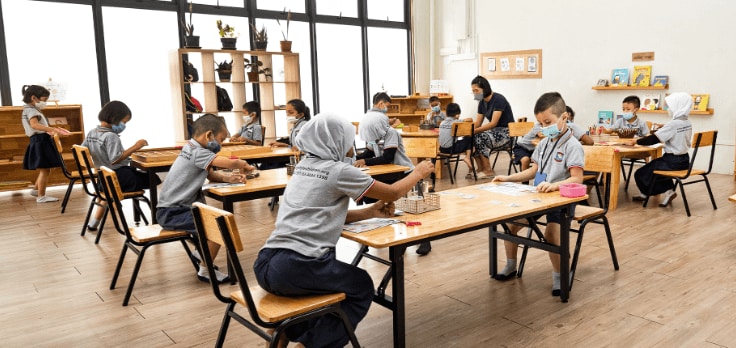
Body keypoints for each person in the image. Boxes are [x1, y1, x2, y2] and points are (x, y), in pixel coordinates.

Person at [253, 112, 434, 348]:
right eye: (349, 140)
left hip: (267, 262)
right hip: (297, 266)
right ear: (334, 142)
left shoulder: (303, 166)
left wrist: (368, 213)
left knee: (322, 290)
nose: (352, 146)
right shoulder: (338, 170)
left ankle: (286, 333)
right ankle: (310, 345)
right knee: (361, 287)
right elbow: (392, 193)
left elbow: (320, 214)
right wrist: (418, 172)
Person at [491, 92, 584, 296]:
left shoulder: (573, 146)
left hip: (562, 200)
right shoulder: (542, 144)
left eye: (548, 122)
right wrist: (507, 178)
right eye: (541, 123)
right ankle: (511, 265)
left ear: (564, 117)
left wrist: (555, 185)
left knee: (552, 234)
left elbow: (577, 178)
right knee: (511, 224)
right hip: (538, 197)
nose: (544, 127)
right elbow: (534, 170)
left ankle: (560, 277)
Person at [156, 114, 257, 283]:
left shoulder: (190, 148)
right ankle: (205, 269)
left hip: (172, 209)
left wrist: (227, 179)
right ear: (208, 135)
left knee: (214, 222)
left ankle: (200, 253)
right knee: (218, 226)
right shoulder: (198, 151)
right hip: (174, 212)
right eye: (221, 139)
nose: (221, 144)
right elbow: (230, 163)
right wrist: (243, 164)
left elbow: (210, 174)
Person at [355, 111, 433, 255]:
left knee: (410, 209)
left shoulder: (391, 133)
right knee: (368, 199)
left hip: (404, 172)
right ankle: (374, 233)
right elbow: (369, 152)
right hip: (386, 174)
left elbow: (387, 157)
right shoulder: (375, 136)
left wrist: (364, 161)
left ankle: (424, 241)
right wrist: (355, 158)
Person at [82, 100, 161, 231]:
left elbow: (84, 150)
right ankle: (156, 220)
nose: (124, 125)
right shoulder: (111, 136)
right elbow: (115, 159)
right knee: (153, 179)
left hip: (103, 178)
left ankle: (93, 223)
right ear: (115, 119)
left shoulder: (92, 132)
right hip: (117, 178)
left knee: (107, 194)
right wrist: (136, 146)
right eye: (124, 122)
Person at [624, 92, 693, 207]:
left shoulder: (673, 124)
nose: (668, 109)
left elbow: (653, 139)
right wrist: (665, 126)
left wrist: (635, 141)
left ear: (677, 106)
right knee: (656, 168)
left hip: (672, 161)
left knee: (641, 173)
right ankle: (667, 191)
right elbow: (675, 129)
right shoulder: (686, 122)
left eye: (669, 106)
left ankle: (654, 193)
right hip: (684, 160)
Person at [20, 85, 68, 203]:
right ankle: (41, 196)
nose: (45, 102)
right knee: (45, 169)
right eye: (44, 100)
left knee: (45, 168)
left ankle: (36, 190)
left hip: (40, 140)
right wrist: (51, 130)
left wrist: (51, 129)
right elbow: (35, 125)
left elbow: (37, 125)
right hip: (40, 141)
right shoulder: (31, 110)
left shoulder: (31, 109)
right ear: (33, 98)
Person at [470, 75, 514, 179]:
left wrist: (475, 131)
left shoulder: (499, 99)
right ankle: (481, 168)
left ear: (484, 89)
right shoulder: (481, 102)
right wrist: (470, 131)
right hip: (494, 132)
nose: (475, 93)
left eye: (476, 90)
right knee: (470, 138)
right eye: (473, 91)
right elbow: (478, 123)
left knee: (480, 137)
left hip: (506, 133)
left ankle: (488, 170)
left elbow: (493, 123)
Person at [438, 103, 473, 176]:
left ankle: (468, 158)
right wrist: (463, 119)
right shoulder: (457, 122)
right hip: (452, 149)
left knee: (461, 140)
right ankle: (467, 157)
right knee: (469, 137)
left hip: (442, 149)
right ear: (457, 114)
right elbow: (470, 119)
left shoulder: (442, 123)